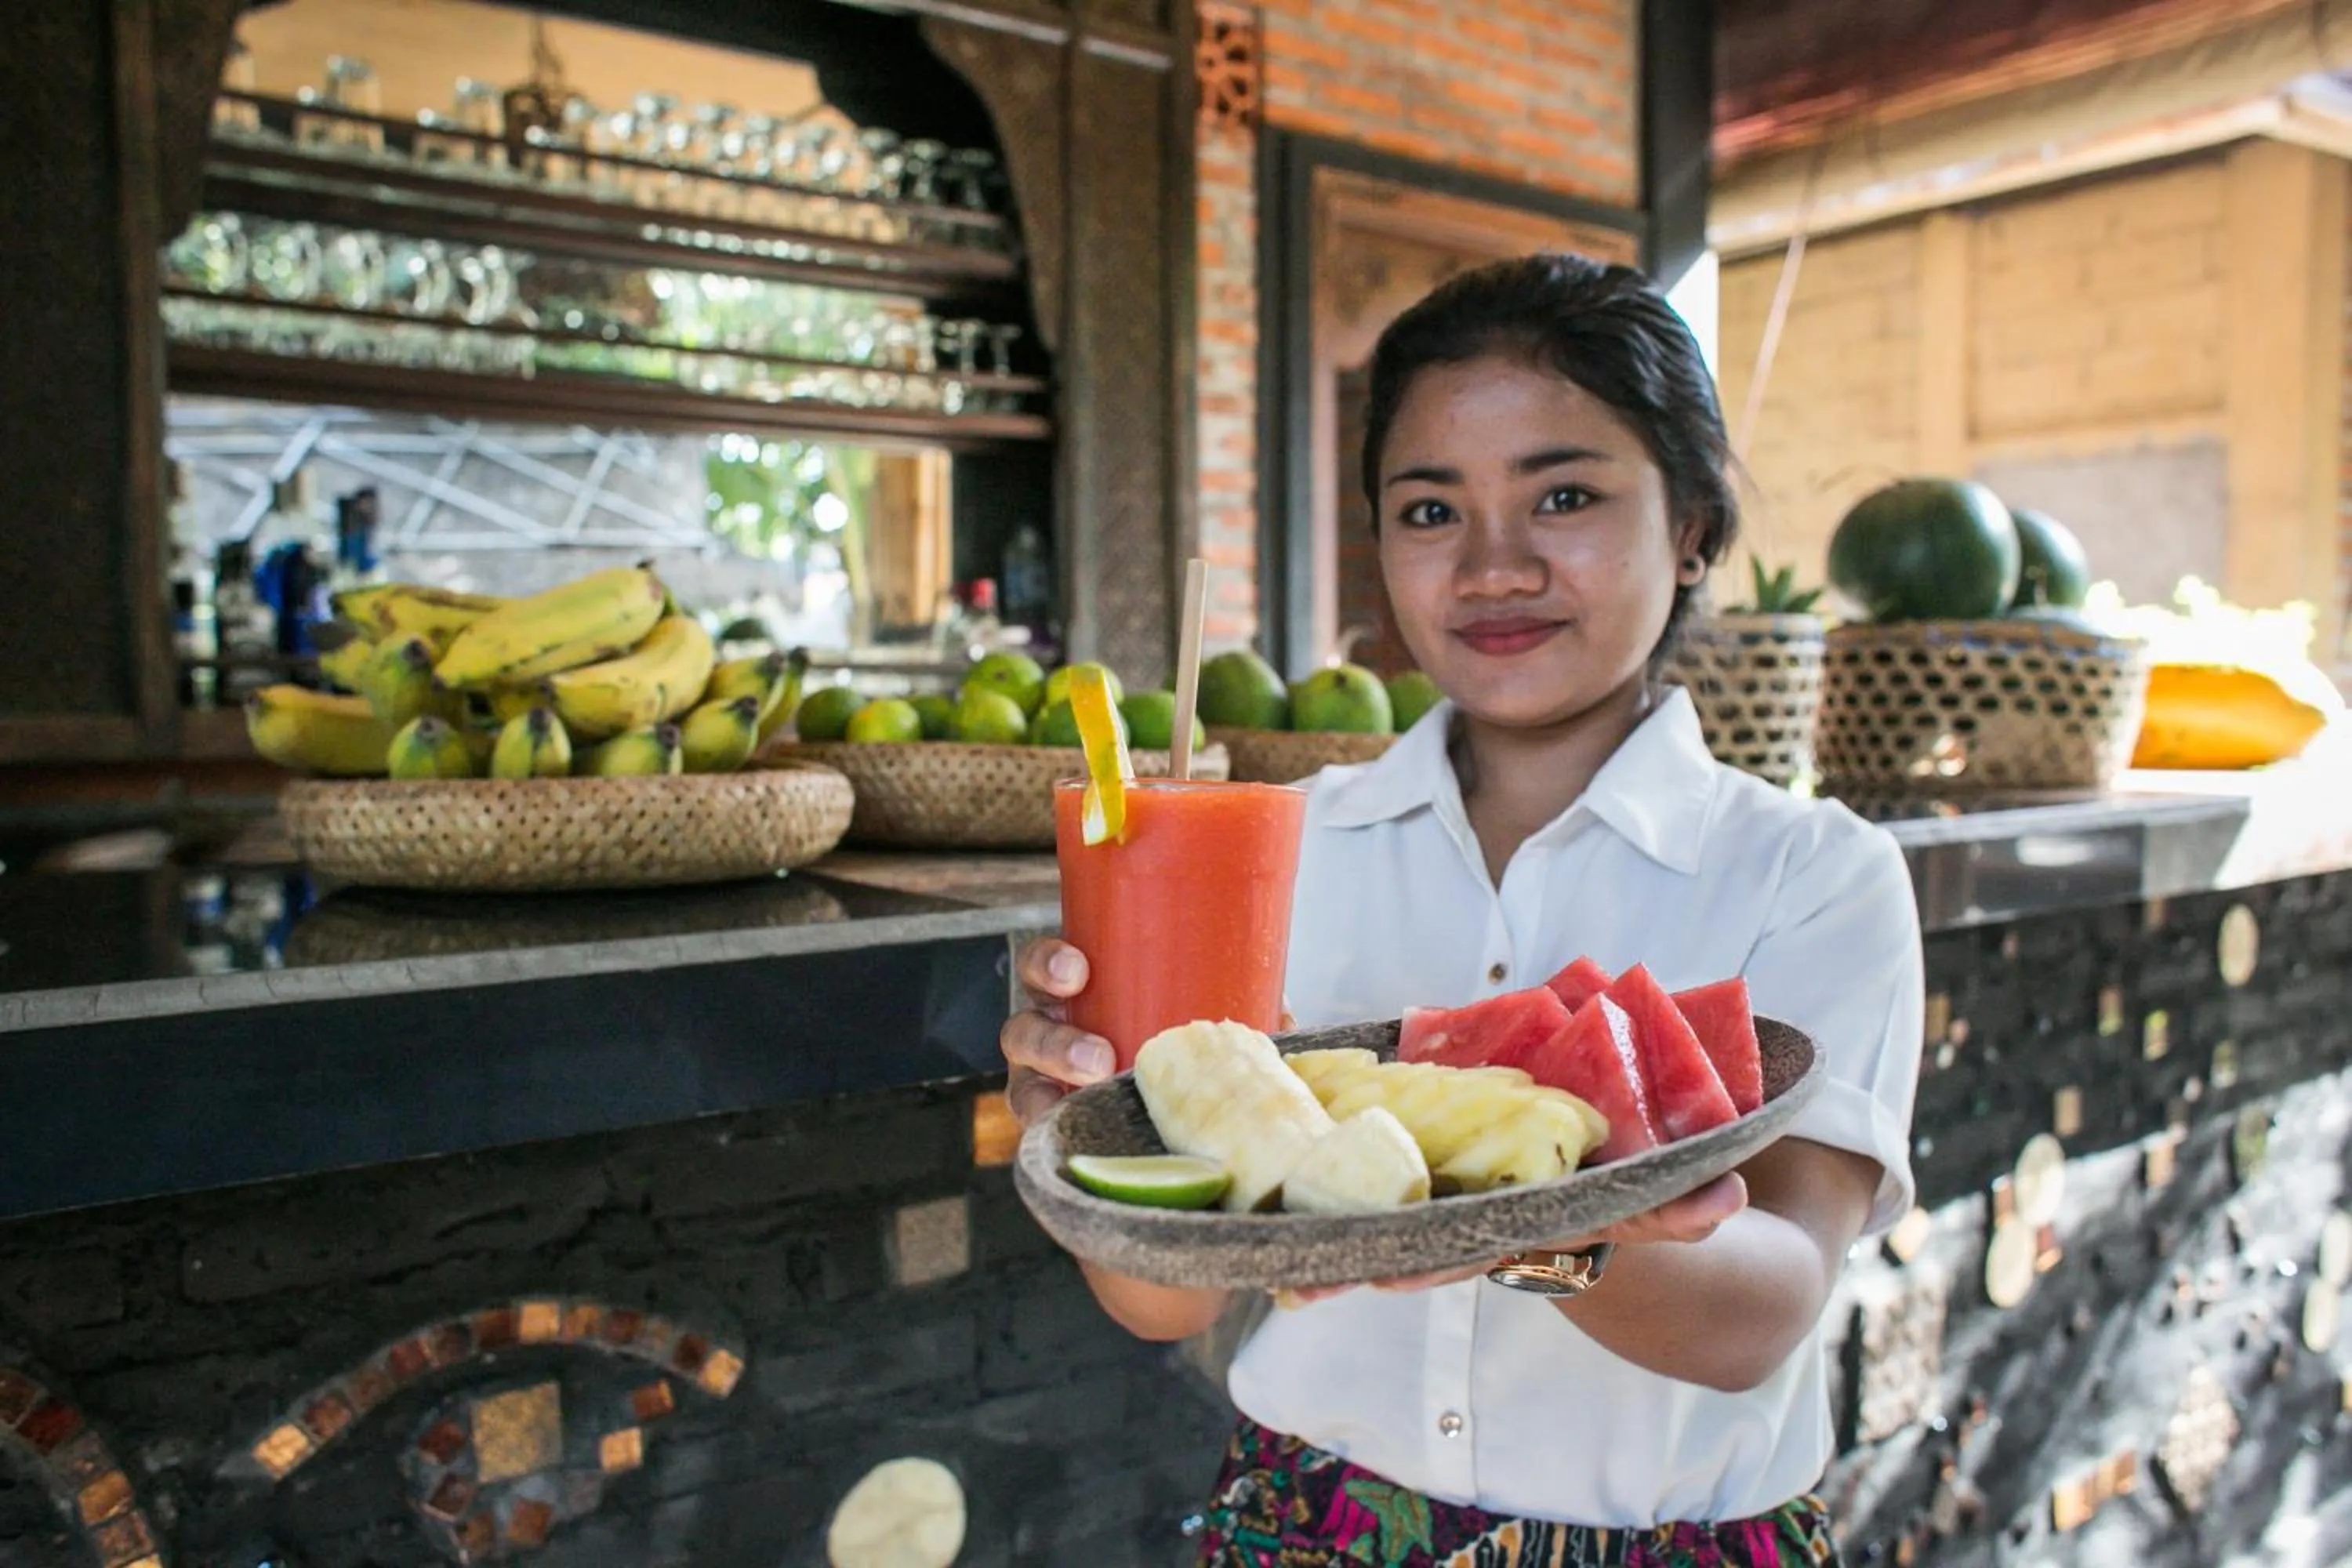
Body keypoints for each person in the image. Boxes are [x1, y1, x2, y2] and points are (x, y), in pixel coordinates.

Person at [1003, 253, 1923, 1567]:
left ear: (1694, 527)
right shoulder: (1274, 847)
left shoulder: (1813, 874)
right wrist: (1091, 1143)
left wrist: (1481, 1223)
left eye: (1564, 495)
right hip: (1310, 1522)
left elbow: (1755, 1318)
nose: (1494, 566)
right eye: (1431, 512)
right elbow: (1160, 1298)